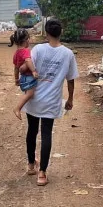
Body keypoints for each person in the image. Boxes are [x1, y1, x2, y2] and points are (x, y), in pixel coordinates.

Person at [23, 18, 78, 186]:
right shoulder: (67, 54)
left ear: (46, 33)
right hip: (51, 100)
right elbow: (71, 80)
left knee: (32, 131)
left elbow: (27, 67)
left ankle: (31, 164)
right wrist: (70, 98)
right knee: (46, 133)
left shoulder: (38, 49)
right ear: (60, 33)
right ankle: (42, 174)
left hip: (33, 98)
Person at [9, 29, 39, 120]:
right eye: (29, 39)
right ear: (26, 40)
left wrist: (16, 79)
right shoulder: (26, 51)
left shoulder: (16, 53)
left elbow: (16, 68)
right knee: (30, 94)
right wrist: (33, 71)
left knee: (28, 94)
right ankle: (17, 108)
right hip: (29, 77)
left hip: (23, 78)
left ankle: (27, 110)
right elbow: (28, 60)